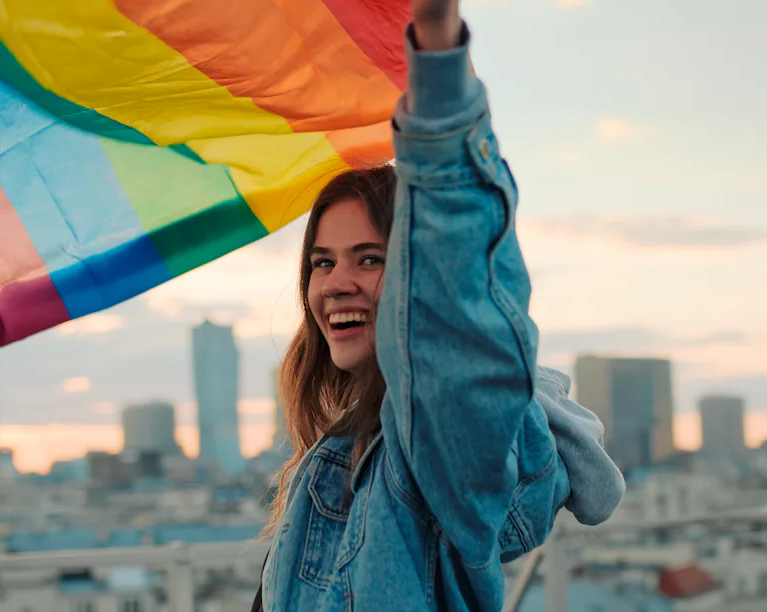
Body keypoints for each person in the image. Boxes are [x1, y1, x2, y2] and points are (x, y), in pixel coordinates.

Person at [255, 1, 624, 609]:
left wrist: (436, 49)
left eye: (370, 259)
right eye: (323, 262)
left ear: (417, 282)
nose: (335, 283)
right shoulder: (349, 446)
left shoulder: (426, 444)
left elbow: (459, 311)